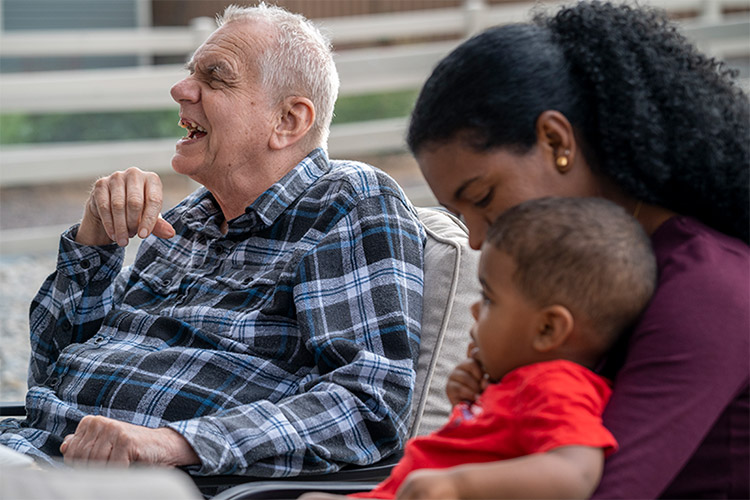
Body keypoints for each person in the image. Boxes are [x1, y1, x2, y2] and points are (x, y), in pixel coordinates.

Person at [0, 4, 425, 478]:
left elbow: (368, 406)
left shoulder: (346, 201)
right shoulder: (182, 222)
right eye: (190, 73)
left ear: (288, 120)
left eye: (216, 77)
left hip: (134, 482)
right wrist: (94, 244)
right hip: (32, 450)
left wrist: (174, 443)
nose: (180, 89)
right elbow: (50, 377)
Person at [405, 1, 749, 498]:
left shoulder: (707, 289)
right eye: (459, 216)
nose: (476, 239)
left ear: (556, 140)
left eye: (482, 199)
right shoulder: (600, 278)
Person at [303, 196, 657, 500]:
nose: (474, 309)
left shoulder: (556, 386)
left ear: (548, 328)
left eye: (488, 298)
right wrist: (469, 405)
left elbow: (576, 472)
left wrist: (459, 485)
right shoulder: (515, 384)